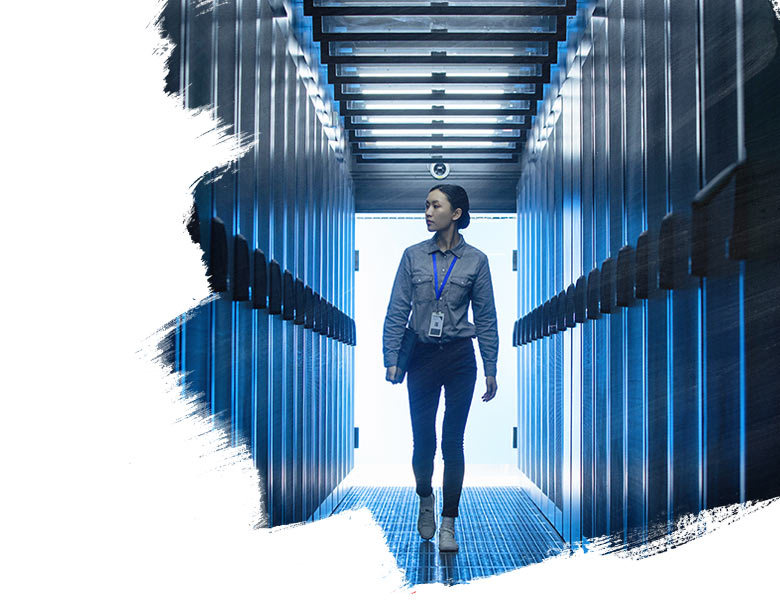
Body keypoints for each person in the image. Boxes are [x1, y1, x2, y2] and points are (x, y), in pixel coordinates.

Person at [382, 184, 499, 553]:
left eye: (436, 205)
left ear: (456, 213)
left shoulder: (476, 261)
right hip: (422, 356)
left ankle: (449, 522)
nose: (428, 212)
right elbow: (397, 309)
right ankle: (425, 499)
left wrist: (490, 366)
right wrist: (391, 357)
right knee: (423, 441)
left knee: (453, 442)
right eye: (427, 205)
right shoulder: (413, 256)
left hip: (460, 356)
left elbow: (487, 317)